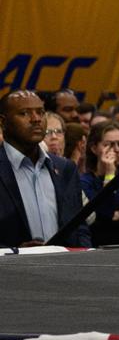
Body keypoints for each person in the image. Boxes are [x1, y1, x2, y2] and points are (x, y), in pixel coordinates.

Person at [1, 91, 91, 249]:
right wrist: (13, 254)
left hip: (64, 269)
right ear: (2, 122)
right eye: (24, 113)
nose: (36, 119)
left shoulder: (65, 169)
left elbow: (79, 227)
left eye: (40, 112)